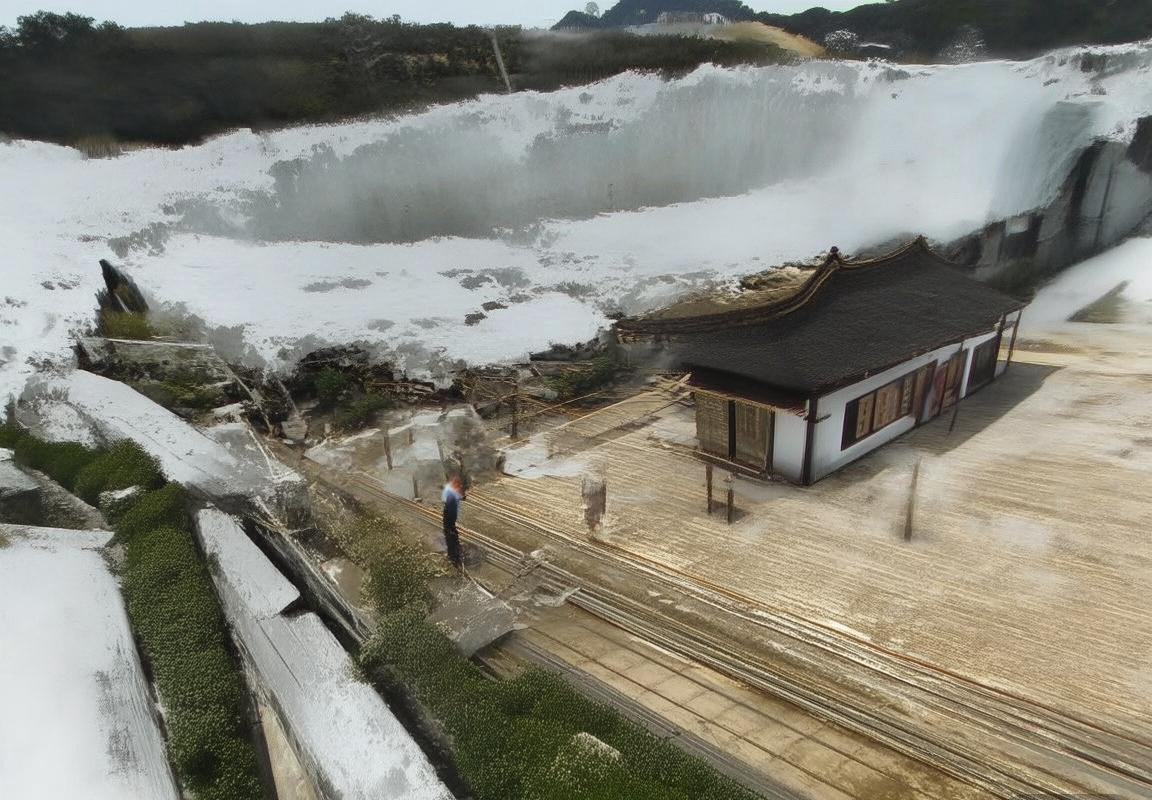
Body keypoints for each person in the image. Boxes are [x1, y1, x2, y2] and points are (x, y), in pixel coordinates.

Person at [441, 475, 465, 569]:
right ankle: (454, 558)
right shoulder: (451, 495)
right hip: (449, 521)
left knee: (452, 535)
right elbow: (450, 512)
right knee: (451, 536)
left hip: (450, 521)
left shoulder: (452, 494)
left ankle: (454, 555)